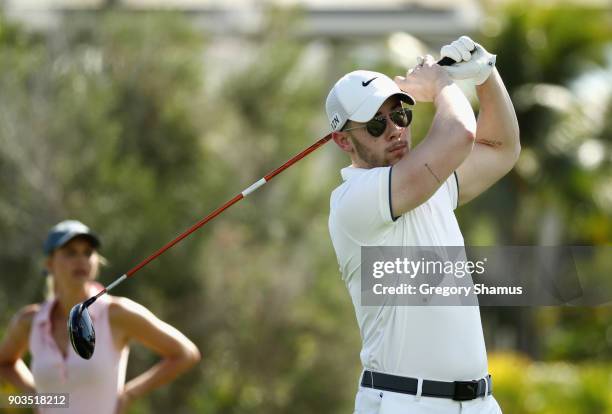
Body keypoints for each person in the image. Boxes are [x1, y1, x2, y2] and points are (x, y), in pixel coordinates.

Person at [326, 36, 520, 413]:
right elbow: (460, 134)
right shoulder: (356, 200)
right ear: (342, 141)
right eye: (376, 124)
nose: (395, 130)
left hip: (479, 403)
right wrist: (441, 84)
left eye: (399, 115)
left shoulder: (434, 183)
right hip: (405, 401)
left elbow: (500, 148)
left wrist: (486, 76)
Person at [0, 220, 201, 414]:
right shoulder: (30, 321)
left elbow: (185, 353)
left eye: (88, 252)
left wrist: (130, 394)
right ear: (49, 263)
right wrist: (36, 396)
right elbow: (4, 363)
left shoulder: (116, 313)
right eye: (71, 252)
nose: (81, 260)